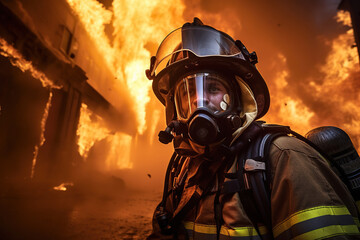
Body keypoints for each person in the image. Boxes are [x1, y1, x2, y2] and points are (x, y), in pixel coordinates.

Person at [145, 18, 360, 240]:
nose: (199, 99)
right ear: (175, 109)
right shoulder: (182, 166)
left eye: (212, 87)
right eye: (187, 92)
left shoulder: (284, 158)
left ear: (239, 97)